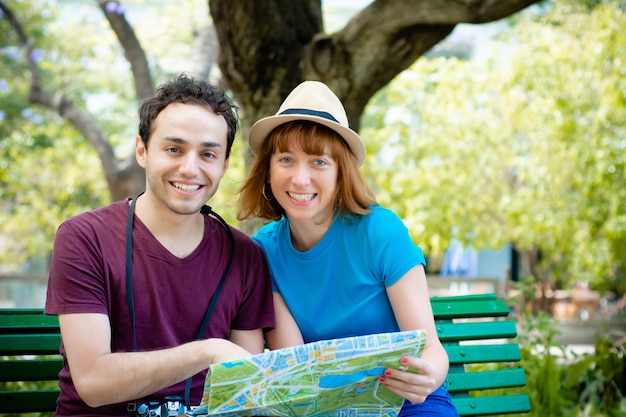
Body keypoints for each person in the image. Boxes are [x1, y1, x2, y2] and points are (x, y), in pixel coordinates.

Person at [45, 73, 274, 416]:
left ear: (224, 164)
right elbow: (93, 382)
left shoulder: (246, 255)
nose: (189, 168)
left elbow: (245, 389)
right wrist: (206, 352)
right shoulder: (84, 238)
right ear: (142, 150)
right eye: (173, 149)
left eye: (208, 154)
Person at [237, 80, 459, 416]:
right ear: (267, 170)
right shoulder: (262, 252)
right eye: (286, 159)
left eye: (318, 162)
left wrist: (428, 375)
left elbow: (431, 349)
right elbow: (298, 370)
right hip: (326, 408)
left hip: (407, 403)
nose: (299, 178)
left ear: (342, 173)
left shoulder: (380, 232)